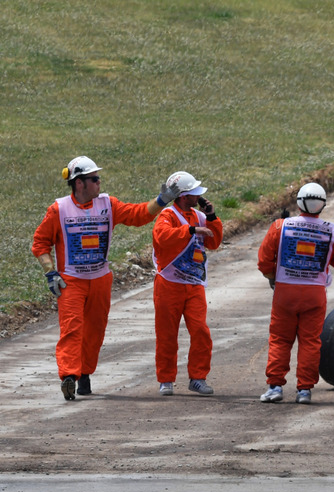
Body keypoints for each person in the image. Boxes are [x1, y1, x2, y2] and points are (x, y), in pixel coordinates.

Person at [31, 156, 181, 400]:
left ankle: (85, 374)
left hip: (101, 279)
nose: (99, 182)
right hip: (71, 282)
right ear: (79, 183)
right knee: (72, 328)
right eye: (94, 179)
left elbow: (137, 215)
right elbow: (40, 244)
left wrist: (161, 200)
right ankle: (69, 375)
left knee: (95, 330)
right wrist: (50, 272)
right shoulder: (58, 209)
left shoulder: (108, 204)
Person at [257, 183, 334, 404]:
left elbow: (263, 262)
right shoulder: (333, 231)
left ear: (299, 203)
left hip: (285, 292)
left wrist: (272, 276)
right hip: (315, 294)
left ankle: (275, 386)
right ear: (322, 205)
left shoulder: (280, 227)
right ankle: (304, 390)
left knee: (280, 339)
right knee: (310, 342)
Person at [152, 172, 223, 397]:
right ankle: (166, 380)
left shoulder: (200, 217)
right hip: (168, 284)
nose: (198, 197)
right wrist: (191, 230)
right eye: (194, 194)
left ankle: (198, 378)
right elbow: (162, 236)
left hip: (194, 285)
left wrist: (211, 217)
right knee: (167, 334)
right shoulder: (167, 215)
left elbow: (214, 242)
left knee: (201, 331)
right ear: (183, 196)